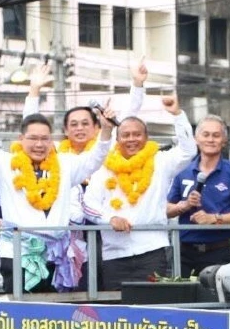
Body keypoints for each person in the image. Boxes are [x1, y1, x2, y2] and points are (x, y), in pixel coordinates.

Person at [0, 80, 115, 293]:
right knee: (19, 319)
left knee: (52, 320)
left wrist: (106, 131)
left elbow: (95, 159)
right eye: (33, 138)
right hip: (18, 254)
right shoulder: (4, 163)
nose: (39, 144)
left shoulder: (65, 163)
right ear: (20, 139)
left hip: (56, 255)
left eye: (45, 138)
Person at [82, 94, 197, 289]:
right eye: (125, 135)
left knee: (153, 312)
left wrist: (177, 115)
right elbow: (88, 204)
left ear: (146, 137)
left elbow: (188, 151)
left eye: (137, 134)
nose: (131, 139)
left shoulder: (161, 161)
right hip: (114, 255)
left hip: (153, 251)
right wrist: (110, 219)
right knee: (118, 316)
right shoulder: (104, 167)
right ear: (117, 139)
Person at [165, 115, 230, 278]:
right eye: (206, 135)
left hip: (218, 252)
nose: (211, 139)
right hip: (183, 252)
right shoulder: (182, 173)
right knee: (181, 300)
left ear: (224, 140)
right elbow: (165, 210)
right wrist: (183, 206)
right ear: (196, 139)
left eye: (216, 135)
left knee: (216, 300)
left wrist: (215, 218)